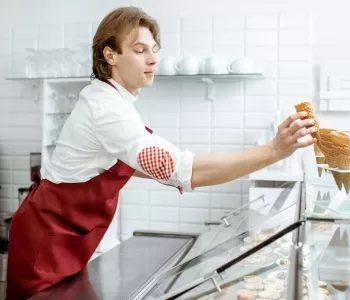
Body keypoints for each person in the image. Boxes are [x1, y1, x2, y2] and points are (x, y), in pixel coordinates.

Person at [6, 6, 316, 300]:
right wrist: (273, 151)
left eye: (155, 49)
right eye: (140, 50)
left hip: (63, 238)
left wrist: (176, 173)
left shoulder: (114, 102)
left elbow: (148, 167)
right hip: (45, 244)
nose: (152, 59)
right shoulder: (107, 111)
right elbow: (184, 170)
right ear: (110, 55)